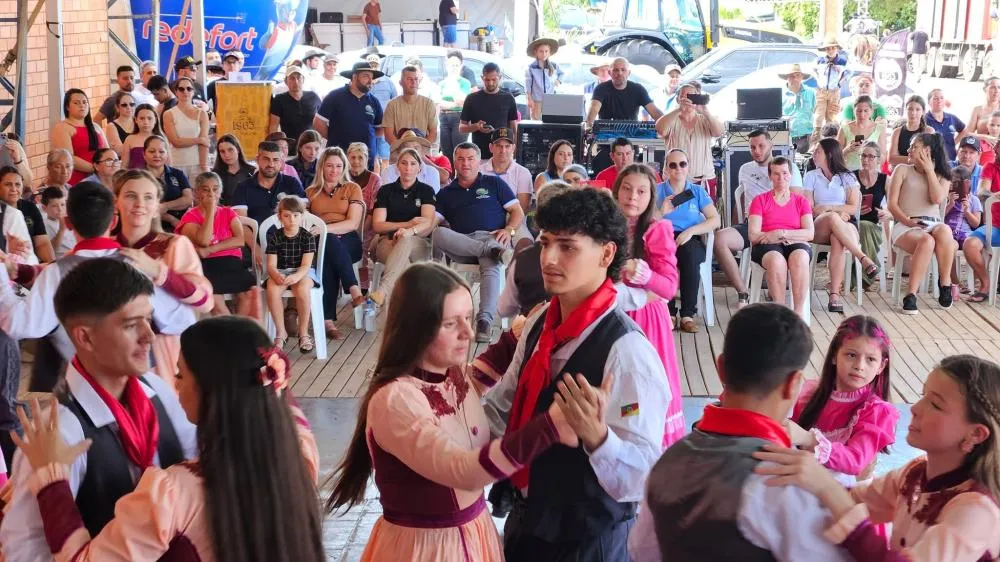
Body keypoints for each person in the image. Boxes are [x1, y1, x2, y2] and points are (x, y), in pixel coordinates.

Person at [9, 314, 325, 561]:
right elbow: (278, 397)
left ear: (210, 391)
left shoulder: (173, 493)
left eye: (180, 374)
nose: (173, 384)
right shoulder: (300, 456)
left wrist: (51, 479)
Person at [327, 261, 582, 560]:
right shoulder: (395, 401)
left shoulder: (451, 373)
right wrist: (548, 428)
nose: (469, 333)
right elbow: (463, 471)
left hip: (473, 534)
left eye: (468, 318)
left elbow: (473, 382)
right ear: (415, 329)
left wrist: (517, 336)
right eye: (451, 324)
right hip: (425, 550)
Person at [483, 187, 669, 560]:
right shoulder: (539, 322)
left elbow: (644, 476)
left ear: (606, 254)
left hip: (588, 540)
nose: (549, 258)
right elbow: (502, 407)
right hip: (527, 521)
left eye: (567, 246)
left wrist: (599, 438)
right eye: (545, 243)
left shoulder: (627, 352)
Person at [0, 256, 198, 560]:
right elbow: (26, 552)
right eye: (131, 325)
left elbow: (195, 464)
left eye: (148, 319)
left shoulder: (157, 391)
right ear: (85, 337)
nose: (149, 335)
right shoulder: (59, 433)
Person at [632, 304, 851, 562]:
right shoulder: (785, 480)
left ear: (721, 368)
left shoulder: (666, 464)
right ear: (793, 384)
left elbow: (641, 551)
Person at [755, 354, 1000, 560]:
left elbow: (840, 500)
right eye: (923, 395)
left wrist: (826, 487)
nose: (915, 408)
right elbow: (854, 501)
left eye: (935, 404)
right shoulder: (915, 474)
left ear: (976, 434)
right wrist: (807, 481)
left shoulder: (977, 511)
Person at [0, 181, 198, 390]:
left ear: (68, 223)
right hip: (139, 384)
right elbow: (182, 320)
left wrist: (2, 277)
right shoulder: (139, 264)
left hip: (83, 386)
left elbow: (17, 324)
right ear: (113, 221)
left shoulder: (57, 273)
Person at [113, 169, 213, 382]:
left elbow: (204, 300)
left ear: (157, 207)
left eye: (148, 197)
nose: (140, 203)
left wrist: (159, 272)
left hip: (164, 354)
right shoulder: (106, 248)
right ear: (116, 202)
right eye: (131, 195)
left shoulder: (174, 245)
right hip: (114, 353)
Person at [610, 164, 685, 447]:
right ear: (617, 191)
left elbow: (669, 286)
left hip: (644, 322)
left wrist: (642, 274)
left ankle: (645, 445)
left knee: (642, 385)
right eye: (627, 189)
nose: (633, 196)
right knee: (615, 383)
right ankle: (616, 443)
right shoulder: (605, 227)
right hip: (610, 315)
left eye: (641, 191)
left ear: (651, 196)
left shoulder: (656, 229)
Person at [788, 315, 899, 485]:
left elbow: (856, 460)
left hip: (849, 493)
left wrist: (809, 440)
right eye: (851, 355)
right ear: (834, 355)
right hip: (804, 483)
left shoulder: (877, 411)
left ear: (881, 366)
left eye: (870, 359)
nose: (859, 366)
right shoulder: (809, 392)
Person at [433, 142, 524, 341]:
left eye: (470, 159)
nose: (465, 163)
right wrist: (412, 228)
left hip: (493, 236)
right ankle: (491, 251)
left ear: (479, 161)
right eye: (460, 159)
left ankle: (484, 321)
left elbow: (517, 211)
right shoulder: (446, 193)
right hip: (463, 244)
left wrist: (509, 229)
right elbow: (432, 223)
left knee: (490, 265)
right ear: (454, 162)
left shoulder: (494, 183)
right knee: (438, 233)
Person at [713, 130, 804, 307]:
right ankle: (742, 291)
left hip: (781, 225)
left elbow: (797, 203)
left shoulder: (787, 168)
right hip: (752, 224)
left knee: (782, 253)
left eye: (761, 146)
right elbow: (742, 200)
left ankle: (779, 295)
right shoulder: (745, 169)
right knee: (719, 239)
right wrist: (736, 224)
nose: (757, 151)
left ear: (771, 145)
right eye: (752, 147)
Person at [804, 138, 879, 311]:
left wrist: (830, 207)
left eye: (818, 151)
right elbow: (810, 209)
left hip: (846, 223)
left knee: (837, 239)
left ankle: (834, 295)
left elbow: (853, 207)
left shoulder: (847, 176)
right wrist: (835, 212)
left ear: (829, 155)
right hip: (819, 223)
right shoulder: (811, 176)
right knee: (832, 218)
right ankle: (863, 257)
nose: (814, 154)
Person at [889, 133, 955, 314]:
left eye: (914, 147)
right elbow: (892, 205)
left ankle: (945, 283)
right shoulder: (902, 169)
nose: (909, 150)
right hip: (906, 224)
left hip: (933, 224)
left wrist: (929, 171)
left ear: (927, 151)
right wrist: (908, 222)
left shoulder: (943, 174)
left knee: (944, 230)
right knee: (927, 241)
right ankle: (911, 294)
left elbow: (937, 199)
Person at [178, 172, 258, 318]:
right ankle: (230, 330)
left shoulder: (228, 212)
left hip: (231, 262)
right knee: (216, 301)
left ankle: (238, 328)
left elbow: (240, 239)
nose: (211, 193)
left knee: (249, 294)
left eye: (215, 189)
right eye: (205, 189)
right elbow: (203, 240)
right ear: (197, 193)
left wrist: (211, 249)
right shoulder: (190, 216)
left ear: (220, 192)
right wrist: (210, 211)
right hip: (205, 265)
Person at [305, 146, 366, 339]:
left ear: (344, 167)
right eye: (330, 166)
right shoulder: (310, 192)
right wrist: (323, 232)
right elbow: (305, 223)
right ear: (322, 167)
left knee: (328, 248)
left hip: (348, 238)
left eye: (339, 166)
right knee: (327, 248)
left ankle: (328, 321)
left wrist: (325, 229)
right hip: (319, 241)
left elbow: (353, 223)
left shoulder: (352, 188)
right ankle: (354, 290)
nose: (334, 170)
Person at [656, 149, 720, 332]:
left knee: (691, 258)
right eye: (673, 165)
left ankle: (687, 314)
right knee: (661, 257)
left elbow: (715, 220)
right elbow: (645, 221)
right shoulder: (657, 190)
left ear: (688, 166)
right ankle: (668, 312)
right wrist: (661, 211)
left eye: (682, 164)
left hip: (689, 237)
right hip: (663, 235)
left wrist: (691, 231)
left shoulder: (697, 191)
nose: (678, 168)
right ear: (666, 168)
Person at [367, 147, 437, 308]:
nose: (408, 168)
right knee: (402, 263)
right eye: (404, 163)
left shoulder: (426, 191)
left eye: (413, 164)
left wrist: (408, 232)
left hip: (418, 243)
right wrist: (408, 224)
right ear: (397, 166)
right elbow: (378, 225)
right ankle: (412, 307)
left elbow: (427, 221)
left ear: (419, 168)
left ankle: (383, 291)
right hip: (388, 241)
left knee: (405, 240)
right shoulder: (386, 191)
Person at [749, 157, 815, 320]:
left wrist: (782, 233)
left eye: (785, 173)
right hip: (767, 244)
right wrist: (772, 237)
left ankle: (798, 314)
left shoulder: (801, 201)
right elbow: (753, 235)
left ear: (791, 174)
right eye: (776, 174)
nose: (781, 178)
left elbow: (809, 233)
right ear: (770, 176)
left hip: (793, 241)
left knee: (800, 257)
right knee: (776, 260)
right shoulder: (759, 200)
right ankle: (780, 313)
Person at [264, 196, 320, 352]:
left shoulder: (307, 237)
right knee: (272, 288)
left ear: (302, 216)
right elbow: (271, 265)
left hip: (303, 272)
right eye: (287, 216)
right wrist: (276, 275)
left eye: (296, 215)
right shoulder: (275, 237)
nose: (291, 220)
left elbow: (306, 265)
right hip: (281, 271)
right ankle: (281, 332)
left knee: (302, 289)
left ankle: (303, 332)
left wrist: (296, 276)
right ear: (280, 217)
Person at [314, 61, 384, 170]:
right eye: (366, 76)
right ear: (354, 77)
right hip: (339, 162)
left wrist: (368, 138)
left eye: (372, 77)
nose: (370, 81)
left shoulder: (374, 101)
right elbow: (318, 123)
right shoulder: (335, 96)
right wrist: (335, 137)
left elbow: (380, 129)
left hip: (366, 163)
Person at [656, 82, 723, 196]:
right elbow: (660, 128)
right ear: (677, 99)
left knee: (706, 208)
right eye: (684, 96)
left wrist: (705, 111)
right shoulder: (671, 119)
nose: (688, 100)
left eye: (692, 96)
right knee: (674, 208)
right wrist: (679, 109)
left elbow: (719, 132)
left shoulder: (705, 119)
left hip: (703, 180)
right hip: (675, 181)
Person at [232, 141, 306, 227]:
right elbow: (242, 226)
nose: (271, 164)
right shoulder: (243, 188)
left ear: (281, 162)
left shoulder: (292, 183)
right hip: (255, 235)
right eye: (266, 159)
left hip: (288, 235)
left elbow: (304, 215)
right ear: (257, 160)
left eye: (275, 160)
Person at [460, 62, 519, 159]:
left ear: (500, 78)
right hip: (479, 153)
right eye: (487, 80)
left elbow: (513, 128)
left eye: (494, 79)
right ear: (482, 78)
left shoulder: (508, 98)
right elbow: (462, 128)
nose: (490, 83)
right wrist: (476, 127)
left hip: (502, 152)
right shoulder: (472, 98)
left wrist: (515, 150)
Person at [51, 88, 109, 186]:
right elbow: (69, 158)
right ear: (67, 107)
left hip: (100, 178)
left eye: (84, 102)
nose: (82, 105)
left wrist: (106, 167)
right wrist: (96, 168)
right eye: (76, 103)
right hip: (77, 179)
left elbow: (107, 152)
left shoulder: (96, 127)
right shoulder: (62, 127)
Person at [855, 141, 891, 290]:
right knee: (863, 226)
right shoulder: (852, 177)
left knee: (866, 226)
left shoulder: (884, 180)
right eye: (863, 155)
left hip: (875, 225)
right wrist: (856, 211)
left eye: (870, 157)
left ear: (878, 159)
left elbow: (893, 207)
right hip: (852, 224)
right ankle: (868, 275)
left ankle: (862, 277)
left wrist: (887, 213)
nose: (866, 160)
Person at [944, 166, 983, 294]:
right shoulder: (945, 198)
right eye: (953, 182)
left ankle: (978, 282)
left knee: (975, 246)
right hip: (948, 233)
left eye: (960, 182)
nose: (955, 185)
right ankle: (955, 282)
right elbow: (938, 218)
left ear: (968, 183)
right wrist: (949, 204)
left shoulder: (974, 200)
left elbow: (976, 223)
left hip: (965, 233)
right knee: (949, 246)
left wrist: (967, 211)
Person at [142, 135, 193, 232]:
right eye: (152, 151)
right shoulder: (139, 177)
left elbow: (188, 199)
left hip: (182, 223)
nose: (157, 155)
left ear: (166, 154)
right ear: (144, 154)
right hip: (151, 227)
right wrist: (171, 219)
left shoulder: (178, 173)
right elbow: (146, 207)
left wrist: (165, 206)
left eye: (161, 151)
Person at [162, 76, 210, 179]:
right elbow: (175, 142)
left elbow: (204, 143)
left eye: (189, 88)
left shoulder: (202, 114)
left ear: (193, 92)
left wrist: (204, 166)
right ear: (176, 92)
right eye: (181, 89)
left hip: (197, 164)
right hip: (176, 164)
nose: (185, 91)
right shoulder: (168, 114)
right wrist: (199, 140)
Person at [269, 66, 322, 156]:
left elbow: (321, 122)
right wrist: (274, 148)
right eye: (292, 78)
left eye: (298, 78)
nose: (296, 82)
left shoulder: (313, 97)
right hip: (290, 148)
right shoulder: (279, 100)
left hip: (311, 148)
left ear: (303, 80)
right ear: (286, 81)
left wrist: (319, 143)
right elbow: (274, 125)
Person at [480, 127, 533, 214]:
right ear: (491, 147)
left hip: (513, 221)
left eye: (507, 146)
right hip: (484, 220)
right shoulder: (479, 171)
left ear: (513, 148)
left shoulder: (523, 173)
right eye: (498, 146)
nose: (503, 150)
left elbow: (522, 210)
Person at [383, 65, 439, 145]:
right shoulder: (391, 105)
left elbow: (433, 133)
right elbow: (388, 135)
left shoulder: (429, 104)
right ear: (400, 82)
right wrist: (403, 149)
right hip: (399, 150)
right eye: (409, 79)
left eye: (416, 79)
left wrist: (421, 148)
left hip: (422, 150)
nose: (413, 82)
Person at [0, 167, 44, 264]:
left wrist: (51, 265)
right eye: (8, 184)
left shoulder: (14, 215)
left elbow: (40, 245)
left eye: (17, 184)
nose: (14, 189)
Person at [346, 141, 383, 249]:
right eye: (353, 157)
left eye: (360, 158)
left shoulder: (375, 179)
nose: (356, 161)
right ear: (347, 159)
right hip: (344, 226)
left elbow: (372, 212)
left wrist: (359, 232)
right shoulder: (343, 177)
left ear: (366, 159)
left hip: (367, 229)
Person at [440, 52, 473, 160]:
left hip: (459, 118)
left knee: (459, 151)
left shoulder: (465, 83)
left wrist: (453, 83)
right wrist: (453, 104)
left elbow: (462, 101)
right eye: (451, 65)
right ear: (446, 65)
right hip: (443, 118)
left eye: (456, 65)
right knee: (446, 152)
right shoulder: (442, 84)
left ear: (461, 66)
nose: (454, 68)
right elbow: (440, 104)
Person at [838, 95, 886, 171]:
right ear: (854, 111)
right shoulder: (844, 128)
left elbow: (883, 157)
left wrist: (870, 153)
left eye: (866, 111)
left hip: (871, 172)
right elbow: (836, 156)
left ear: (871, 111)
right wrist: (848, 149)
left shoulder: (880, 129)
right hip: (850, 171)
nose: (862, 114)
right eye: (859, 111)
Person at [594, 137, 661, 190]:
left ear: (633, 153)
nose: (625, 158)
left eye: (628, 153)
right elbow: (596, 201)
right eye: (620, 154)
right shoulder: (602, 177)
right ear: (612, 156)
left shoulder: (652, 175)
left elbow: (659, 199)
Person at [813, 36, 849, 134]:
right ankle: (816, 136)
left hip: (834, 91)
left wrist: (839, 84)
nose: (831, 50)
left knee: (832, 116)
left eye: (833, 48)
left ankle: (830, 136)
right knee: (818, 115)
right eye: (828, 48)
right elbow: (813, 71)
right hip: (822, 91)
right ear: (825, 50)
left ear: (837, 49)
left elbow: (848, 73)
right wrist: (818, 81)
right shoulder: (819, 61)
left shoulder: (842, 62)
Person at [780, 64, 816, 154]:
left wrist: (816, 138)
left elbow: (818, 113)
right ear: (787, 78)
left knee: (808, 162)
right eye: (791, 76)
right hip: (786, 139)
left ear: (802, 77)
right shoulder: (781, 95)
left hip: (807, 138)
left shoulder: (811, 93)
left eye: (798, 75)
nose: (795, 78)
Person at [888, 95, 934, 167]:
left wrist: (901, 159)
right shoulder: (897, 132)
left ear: (923, 112)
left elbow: (928, 158)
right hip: (900, 171)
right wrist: (916, 159)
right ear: (905, 110)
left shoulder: (928, 131)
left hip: (921, 171)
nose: (913, 113)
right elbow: (891, 159)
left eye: (917, 109)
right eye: (910, 109)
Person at [525, 38, 563, 121]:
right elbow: (528, 85)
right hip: (536, 100)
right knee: (536, 121)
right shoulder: (531, 67)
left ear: (549, 52)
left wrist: (558, 81)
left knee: (550, 121)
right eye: (541, 51)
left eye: (546, 51)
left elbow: (562, 74)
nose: (544, 54)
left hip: (550, 99)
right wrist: (529, 99)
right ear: (536, 52)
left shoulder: (554, 66)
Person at [213, 133, 256, 205]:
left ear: (238, 150)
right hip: (225, 210)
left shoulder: (252, 171)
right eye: (222, 151)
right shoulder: (215, 174)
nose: (226, 155)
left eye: (230, 150)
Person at [926, 89, 966, 162]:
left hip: (950, 160)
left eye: (942, 98)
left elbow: (964, 130)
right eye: (935, 98)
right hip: (931, 161)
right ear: (929, 102)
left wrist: (954, 142)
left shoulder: (952, 118)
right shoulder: (924, 120)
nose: (939, 100)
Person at [120, 103, 161, 170]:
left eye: (149, 118)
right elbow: (124, 166)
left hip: (157, 176)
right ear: (136, 120)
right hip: (135, 175)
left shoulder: (161, 139)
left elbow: (168, 165)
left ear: (155, 120)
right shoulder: (130, 139)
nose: (146, 122)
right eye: (142, 118)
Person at [960, 76, 1000, 142]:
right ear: (984, 89)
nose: (997, 91)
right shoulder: (977, 110)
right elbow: (967, 134)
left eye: (999, 87)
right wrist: (984, 137)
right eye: (993, 87)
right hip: (982, 147)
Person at [40, 186, 75, 259]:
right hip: (63, 259)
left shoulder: (71, 219)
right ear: (44, 208)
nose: (60, 209)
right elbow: (51, 250)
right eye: (54, 206)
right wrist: (61, 230)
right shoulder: (43, 225)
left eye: (62, 205)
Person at [103, 91, 136, 156]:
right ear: (117, 108)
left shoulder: (139, 122)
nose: (128, 107)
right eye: (124, 105)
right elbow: (119, 151)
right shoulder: (111, 126)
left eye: (132, 104)